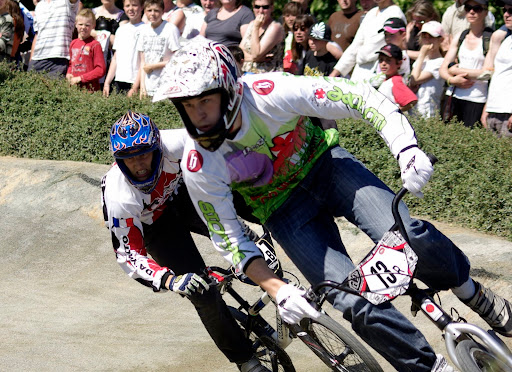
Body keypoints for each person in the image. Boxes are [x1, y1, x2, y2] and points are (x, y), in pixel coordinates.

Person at [153, 37, 512, 372]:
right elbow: (230, 237)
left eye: (205, 101)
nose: (197, 114)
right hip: (283, 210)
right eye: (188, 105)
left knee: (411, 236)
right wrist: (277, 289)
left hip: (328, 166)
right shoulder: (198, 165)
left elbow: (359, 97)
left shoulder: (271, 92)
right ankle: (429, 368)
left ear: (228, 91)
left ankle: (470, 291)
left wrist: (405, 147)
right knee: (351, 302)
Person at [101, 111, 271, 372]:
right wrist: (171, 280)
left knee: (247, 227)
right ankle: (246, 360)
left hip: (186, 196)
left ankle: (253, 248)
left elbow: (226, 159)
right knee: (202, 293)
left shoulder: (178, 142)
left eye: (144, 154)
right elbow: (129, 254)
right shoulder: (118, 194)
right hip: (155, 227)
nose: (139, 165)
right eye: (130, 159)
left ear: (158, 148)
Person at [440, 0, 492, 128]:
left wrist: (455, 71)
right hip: (453, 96)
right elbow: (443, 68)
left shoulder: (490, 38)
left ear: (485, 12)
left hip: (477, 99)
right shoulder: (460, 36)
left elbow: (487, 72)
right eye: (468, 8)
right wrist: (452, 80)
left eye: (477, 8)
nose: (472, 12)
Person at [330, 0, 405, 82]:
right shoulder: (371, 13)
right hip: (359, 72)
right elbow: (356, 45)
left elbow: (373, 48)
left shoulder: (395, 13)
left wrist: (360, 54)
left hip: (379, 72)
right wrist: (334, 74)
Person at [481, 0, 512, 138]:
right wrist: (487, 108)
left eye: (511, 11)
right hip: (494, 109)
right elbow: (498, 75)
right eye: (504, 10)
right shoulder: (504, 36)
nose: (506, 14)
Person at [137, 0, 180, 98]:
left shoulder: (170, 29)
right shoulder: (143, 30)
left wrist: (154, 66)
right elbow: (143, 62)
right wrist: (142, 87)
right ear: (145, 11)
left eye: (156, 10)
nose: (152, 14)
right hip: (148, 86)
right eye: (149, 10)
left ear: (162, 11)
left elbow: (177, 59)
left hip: (166, 85)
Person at [103, 0, 144, 97]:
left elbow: (144, 61)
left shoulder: (145, 29)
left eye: (134, 5)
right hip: (119, 81)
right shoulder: (121, 30)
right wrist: (107, 82)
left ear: (142, 7)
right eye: (127, 6)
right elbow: (116, 58)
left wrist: (135, 87)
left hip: (134, 81)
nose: (131, 9)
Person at [28, 0, 80, 77]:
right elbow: (37, 34)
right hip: (37, 60)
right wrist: (31, 60)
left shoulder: (66, 2)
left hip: (58, 60)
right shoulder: (39, 6)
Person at [409, 21, 446, 118]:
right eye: (424, 37)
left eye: (431, 37)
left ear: (440, 40)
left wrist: (421, 54)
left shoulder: (440, 62)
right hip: (414, 110)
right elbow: (412, 82)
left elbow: (415, 79)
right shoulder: (420, 61)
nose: (427, 40)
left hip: (429, 112)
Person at [66, 8, 106, 91]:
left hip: (90, 90)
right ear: (75, 24)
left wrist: (81, 78)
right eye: (80, 24)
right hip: (74, 89)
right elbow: (71, 64)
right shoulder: (73, 43)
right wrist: (69, 73)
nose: (83, 27)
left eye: (87, 25)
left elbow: (100, 70)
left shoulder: (95, 45)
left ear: (93, 26)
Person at [239, 0, 284, 74]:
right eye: (257, 7)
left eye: (265, 7)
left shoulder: (275, 27)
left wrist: (256, 28)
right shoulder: (252, 24)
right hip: (246, 73)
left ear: (272, 8)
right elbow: (240, 52)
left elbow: (256, 54)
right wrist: (254, 59)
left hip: (267, 76)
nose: (261, 11)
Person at [368, 17, 411, 88]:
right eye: (386, 35)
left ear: (403, 35)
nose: (387, 38)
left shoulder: (402, 57)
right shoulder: (384, 53)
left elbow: (376, 81)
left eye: (391, 35)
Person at [376, 43, 417, 112]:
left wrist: (395, 112)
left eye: (388, 60)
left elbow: (411, 101)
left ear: (399, 63)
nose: (383, 63)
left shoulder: (395, 80)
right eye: (381, 60)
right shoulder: (388, 80)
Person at [282, 1, 302, 73]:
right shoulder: (282, 35)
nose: (290, 19)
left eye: (293, 15)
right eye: (287, 16)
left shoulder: (302, 36)